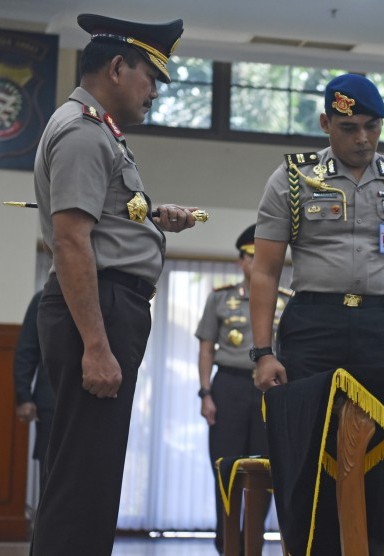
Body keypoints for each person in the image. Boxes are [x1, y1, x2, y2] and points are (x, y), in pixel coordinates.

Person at [249, 73, 384, 554]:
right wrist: (262, 352)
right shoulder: (292, 178)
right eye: (350, 127)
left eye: (372, 127)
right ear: (325, 123)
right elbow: (267, 272)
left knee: (376, 448)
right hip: (313, 324)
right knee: (306, 452)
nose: (363, 139)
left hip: (379, 326)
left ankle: (373, 548)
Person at [30, 13, 194, 555]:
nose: (154, 92)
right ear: (118, 67)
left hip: (104, 305)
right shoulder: (83, 132)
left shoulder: (99, 131)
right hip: (96, 311)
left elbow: (99, 223)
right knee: (83, 477)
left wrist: (151, 219)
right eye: (152, 77)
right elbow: (73, 242)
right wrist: (97, 347)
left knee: (88, 471)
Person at [195, 224, 291, 553]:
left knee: (265, 468)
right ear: (241, 261)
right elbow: (206, 349)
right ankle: (227, 545)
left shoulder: (287, 301)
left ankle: (254, 545)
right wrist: (206, 393)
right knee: (226, 466)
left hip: (268, 390)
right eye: (251, 257)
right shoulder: (220, 298)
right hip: (229, 386)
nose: (256, 262)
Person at [13, 289, 54, 494]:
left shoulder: (102, 296)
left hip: (92, 404)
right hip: (51, 403)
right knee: (49, 479)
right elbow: (26, 351)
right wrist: (24, 397)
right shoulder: (44, 298)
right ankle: (49, 527)